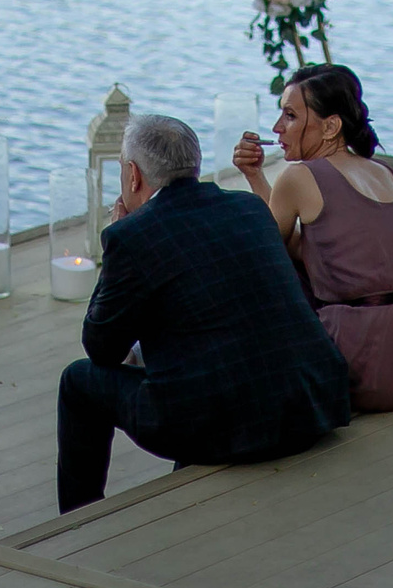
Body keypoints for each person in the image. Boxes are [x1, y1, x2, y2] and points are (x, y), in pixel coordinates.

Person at [56, 112, 351, 513]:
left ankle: (79, 517)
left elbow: (101, 348)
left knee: (78, 382)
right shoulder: (249, 209)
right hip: (309, 404)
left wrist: (114, 251)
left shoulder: (131, 236)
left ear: (132, 175)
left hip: (221, 428)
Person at [234, 64, 393, 413]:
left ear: (331, 126)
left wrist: (254, 178)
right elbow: (314, 251)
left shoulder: (299, 176)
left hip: (368, 372)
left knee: (251, 271)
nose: (277, 128)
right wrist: (256, 175)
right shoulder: (384, 171)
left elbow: (268, 247)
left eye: (290, 116)